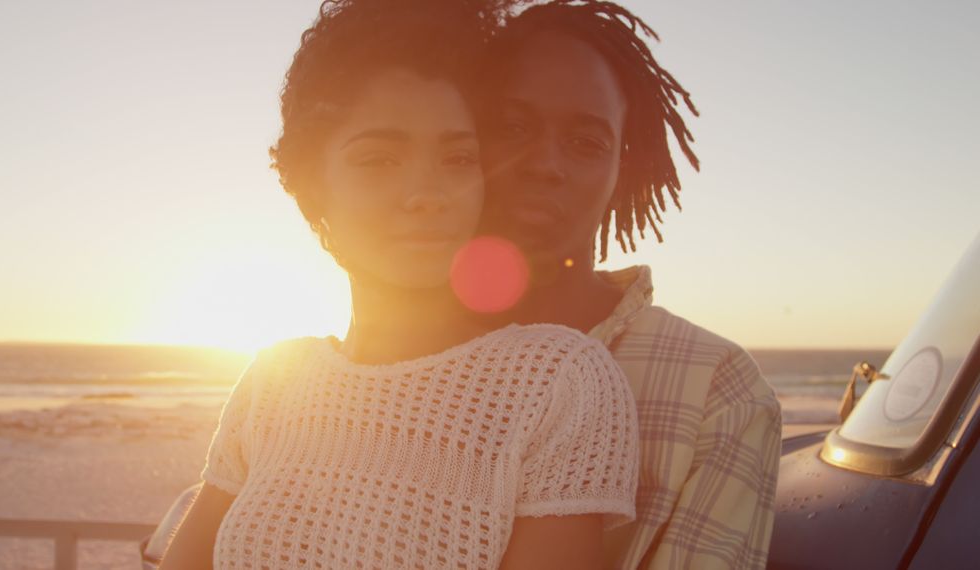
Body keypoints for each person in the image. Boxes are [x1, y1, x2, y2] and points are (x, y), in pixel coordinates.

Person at [157, 1, 638, 568]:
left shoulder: (556, 383)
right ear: (313, 189)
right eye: (379, 160)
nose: (426, 193)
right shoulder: (274, 382)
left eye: (458, 158)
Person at [474, 2, 782, 569]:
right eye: (511, 126)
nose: (545, 162)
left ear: (624, 171)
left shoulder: (716, 389)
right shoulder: (389, 356)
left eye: (586, 141)